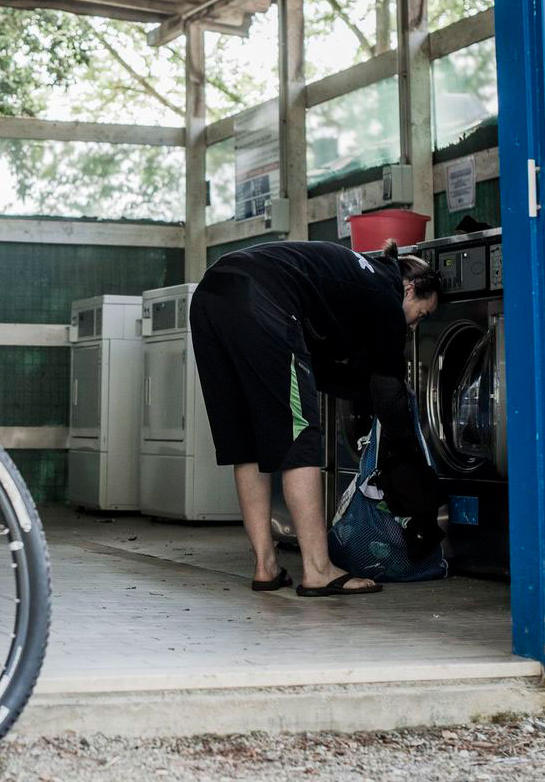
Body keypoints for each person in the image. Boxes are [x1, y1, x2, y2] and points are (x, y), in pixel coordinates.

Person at [188, 238, 441, 596]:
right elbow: (387, 389)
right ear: (410, 288)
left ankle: (266, 566)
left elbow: (325, 371)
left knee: (247, 444)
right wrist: (414, 463)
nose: (414, 326)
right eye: (422, 314)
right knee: (301, 434)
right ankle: (318, 569)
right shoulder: (386, 295)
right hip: (261, 296)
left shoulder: (356, 277)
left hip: (209, 296)